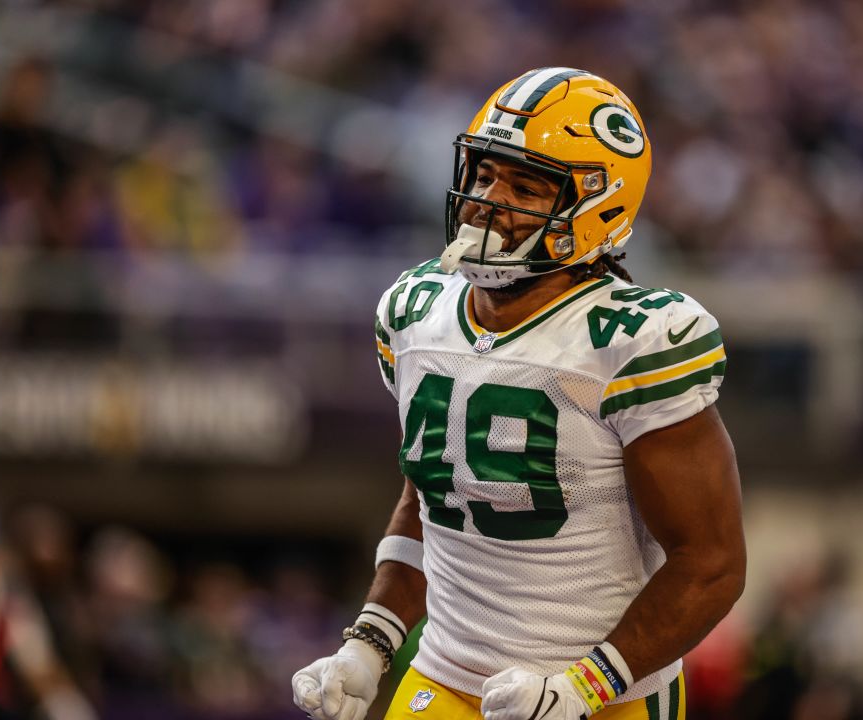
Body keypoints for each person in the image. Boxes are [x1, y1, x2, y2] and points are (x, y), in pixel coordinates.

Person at [292, 67, 746, 720]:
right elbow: (436, 495)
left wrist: (582, 688)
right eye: (483, 174)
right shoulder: (417, 313)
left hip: (603, 696)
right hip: (444, 678)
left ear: (597, 207)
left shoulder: (632, 341)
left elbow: (712, 564)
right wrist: (371, 640)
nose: (486, 200)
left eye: (526, 186)